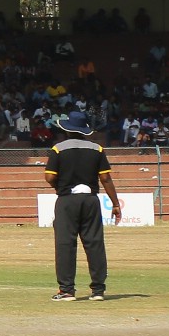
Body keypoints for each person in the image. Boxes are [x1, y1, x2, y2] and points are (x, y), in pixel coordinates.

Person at [44, 111, 121, 301]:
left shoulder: (58, 149)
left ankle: (67, 290)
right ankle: (98, 290)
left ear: (67, 130)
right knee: (94, 243)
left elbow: (50, 177)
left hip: (67, 200)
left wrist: (61, 186)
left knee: (65, 244)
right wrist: (116, 204)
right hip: (90, 200)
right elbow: (105, 178)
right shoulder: (97, 149)